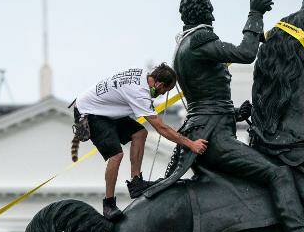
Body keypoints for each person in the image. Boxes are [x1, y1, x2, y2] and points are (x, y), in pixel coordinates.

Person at [143, 0, 304, 232]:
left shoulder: (182, 45)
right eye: (210, 8)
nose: (213, 13)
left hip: (207, 127)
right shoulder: (200, 40)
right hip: (212, 139)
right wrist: (255, 12)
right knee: (278, 173)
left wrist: (234, 113)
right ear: (201, 12)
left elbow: (205, 99)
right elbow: (245, 52)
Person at [73, 64, 207, 220]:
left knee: (140, 133)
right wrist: (192, 144)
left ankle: (136, 182)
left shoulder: (144, 75)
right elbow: (161, 128)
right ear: (159, 84)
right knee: (116, 155)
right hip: (89, 113)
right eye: (165, 91)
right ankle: (108, 204)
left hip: (104, 109)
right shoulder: (139, 93)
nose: (163, 95)